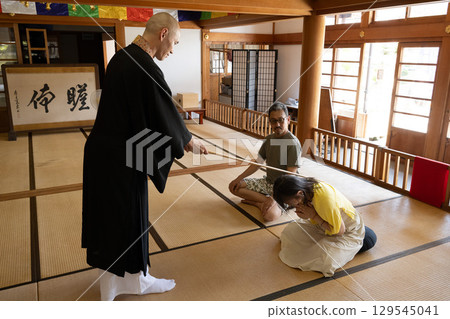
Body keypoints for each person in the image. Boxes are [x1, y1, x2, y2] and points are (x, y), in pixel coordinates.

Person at [82, 12, 207, 301]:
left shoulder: (122, 57)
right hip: (122, 158)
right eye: (174, 42)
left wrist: (182, 138)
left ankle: (128, 281)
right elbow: (163, 113)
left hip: (107, 152)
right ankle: (129, 282)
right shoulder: (144, 65)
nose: (173, 50)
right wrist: (188, 141)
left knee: (114, 219)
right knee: (124, 217)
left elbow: (144, 114)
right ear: (163, 34)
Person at [272, 175, 377, 277]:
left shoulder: (324, 199)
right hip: (322, 225)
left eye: (290, 202)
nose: (291, 205)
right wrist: (307, 216)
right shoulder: (305, 190)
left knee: (327, 260)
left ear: (299, 193)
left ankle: (351, 249)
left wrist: (313, 215)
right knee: (290, 231)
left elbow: (339, 231)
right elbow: (315, 217)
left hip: (346, 232)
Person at [228, 102, 302, 222]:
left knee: (269, 216)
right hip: (268, 183)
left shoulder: (292, 143)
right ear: (269, 122)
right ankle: (264, 202)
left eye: (281, 120)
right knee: (234, 186)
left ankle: (262, 203)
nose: (277, 124)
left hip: (285, 189)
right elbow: (258, 162)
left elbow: (290, 176)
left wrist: (275, 196)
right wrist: (239, 177)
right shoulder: (268, 139)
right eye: (273, 121)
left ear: (288, 120)